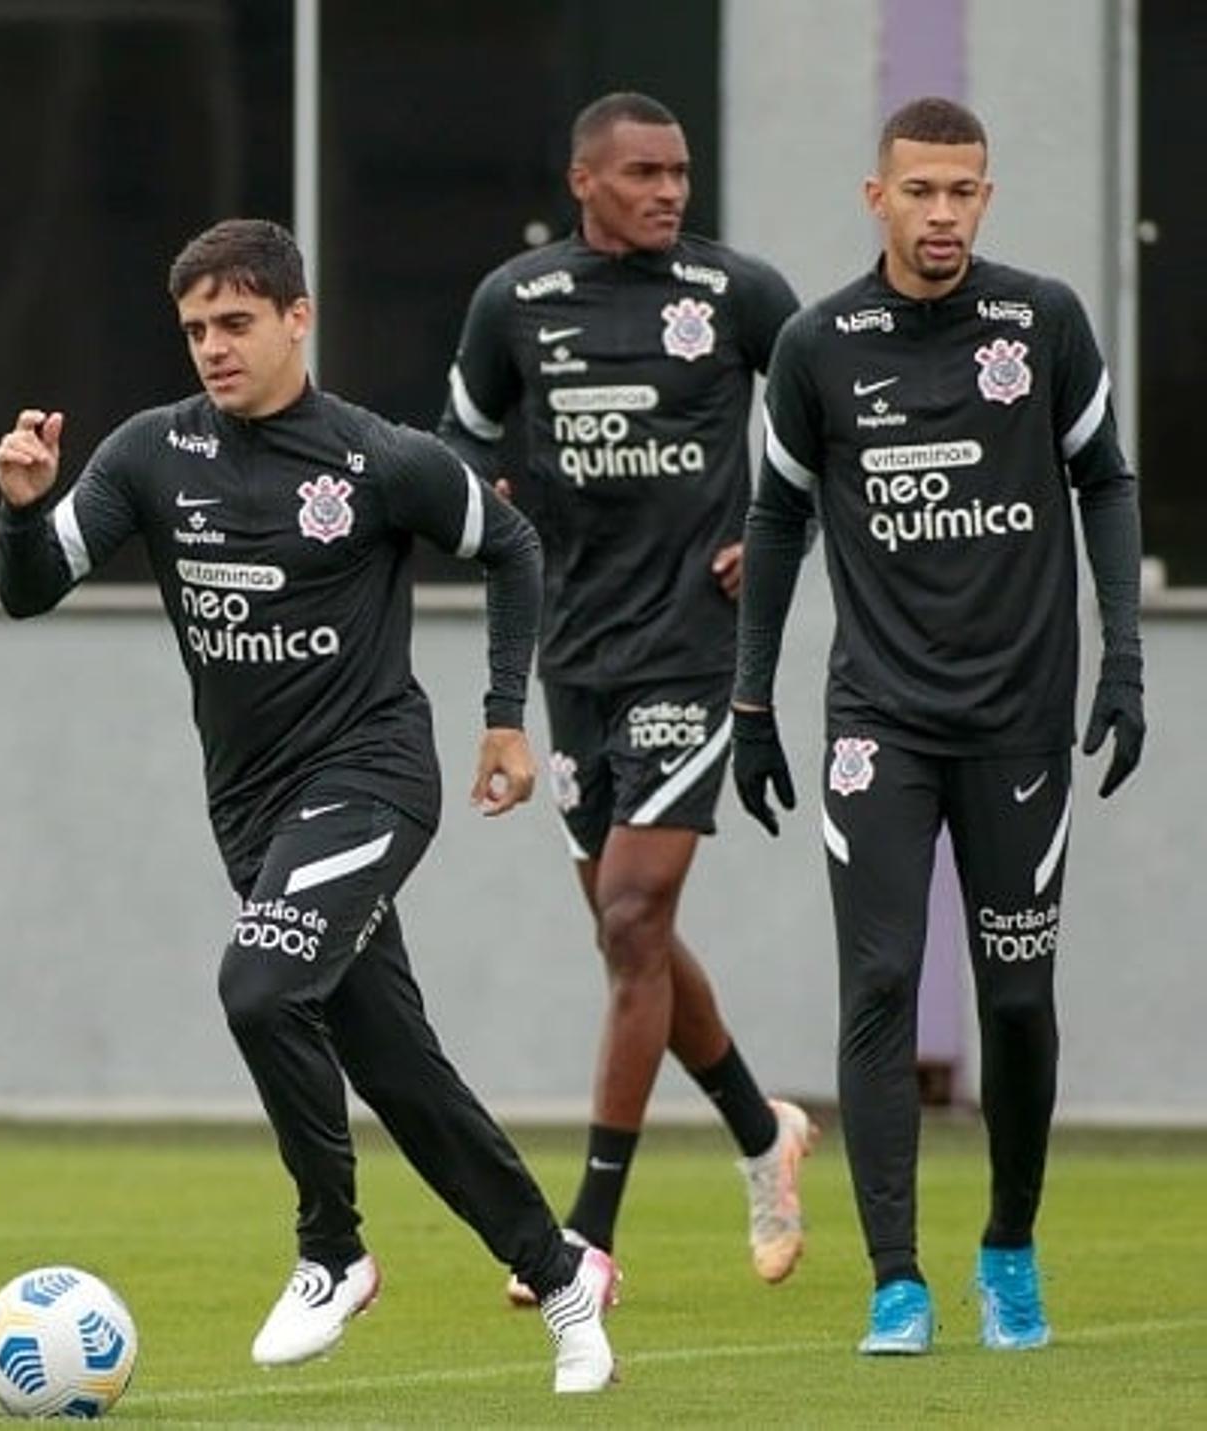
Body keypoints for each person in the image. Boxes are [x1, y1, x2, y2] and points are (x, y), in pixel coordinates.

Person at [0, 218, 618, 1393]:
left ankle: (332, 1250)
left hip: (373, 778)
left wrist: (499, 716)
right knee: (401, 1074)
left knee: (258, 984)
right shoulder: (146, 456)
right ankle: (566, 1283)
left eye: (236, 323)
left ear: (297, 318)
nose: (214, 349)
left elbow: (514, 546)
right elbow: (32, 592)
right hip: (256, 814)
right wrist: (25, 510)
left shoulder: (378, 461)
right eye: (195, 331)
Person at [731, 96, 1145, 1355]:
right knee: (880, 983)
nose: (945, 213)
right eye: (921, 191)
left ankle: (1009, 1249)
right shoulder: (818, 344)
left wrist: (1123, 657)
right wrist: (751, 702)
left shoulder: (1043, 322)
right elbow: (776, 518)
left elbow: (1107, 482)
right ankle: (896, 1282)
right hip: (882, 724)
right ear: (879, 200)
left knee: (1017, 1001)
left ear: (987, 196)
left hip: (1019, 726)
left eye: (965, 190)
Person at [436, 91, 817, 1307]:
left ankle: (586, 1235)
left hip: (697, 648)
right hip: (574, 659)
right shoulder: (516, 302)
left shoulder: (736, 294)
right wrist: (485, 501)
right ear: (585, 180)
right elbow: (462, 444)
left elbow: (834, 419)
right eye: (644, 173)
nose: (669, 192)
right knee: (627, 924)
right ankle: (763, 1131)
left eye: (681, 173)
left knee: (632, 916)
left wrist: (778, 529)